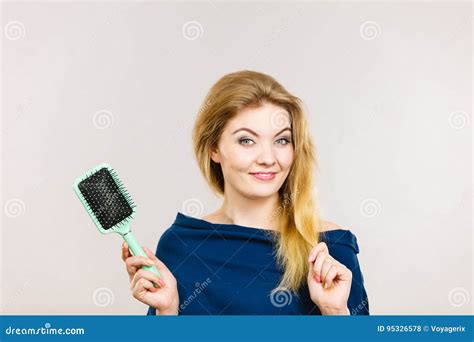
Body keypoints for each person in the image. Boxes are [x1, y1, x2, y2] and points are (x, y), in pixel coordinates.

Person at [121, 70, 370, 315]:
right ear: (213, 149)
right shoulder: (181, 245)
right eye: (246, 141)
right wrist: (167, 312)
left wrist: (335, 313)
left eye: (281, 140)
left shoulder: (330, 248)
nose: (268, 158)